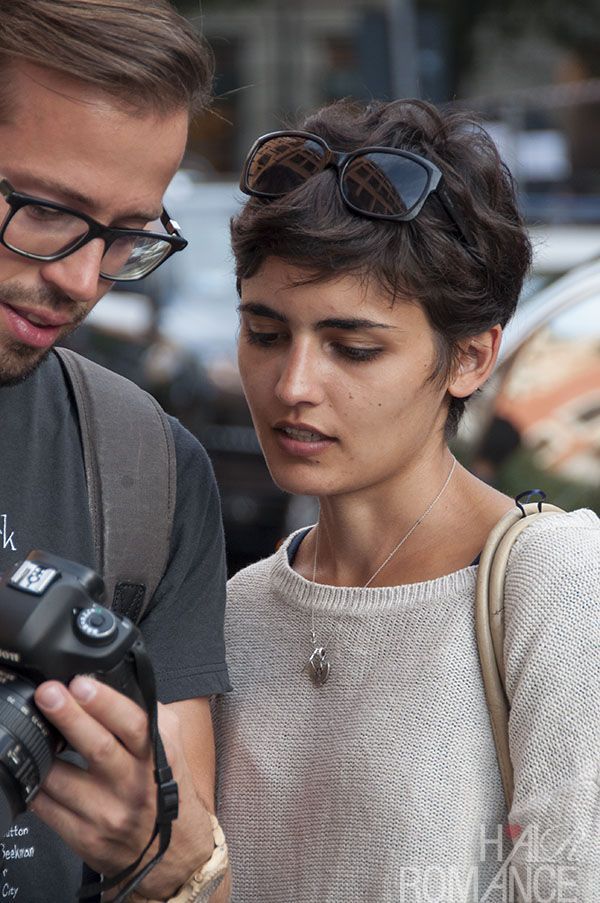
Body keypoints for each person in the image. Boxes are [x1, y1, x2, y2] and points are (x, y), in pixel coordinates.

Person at [212, 99, 600, 901]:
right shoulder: (234, 611)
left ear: (468, 357)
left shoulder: (558, 583)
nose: (294, 387)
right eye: (266, 333)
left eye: (353, 348)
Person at [0, 2, 231, 900]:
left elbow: (190, 871)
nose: (82, 279)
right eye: (50, 212)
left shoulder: (147, 468)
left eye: (128, 234)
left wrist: (156, 848)